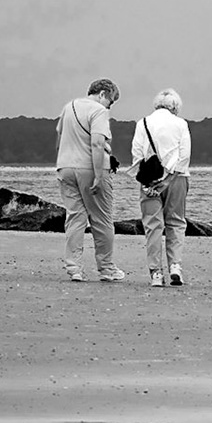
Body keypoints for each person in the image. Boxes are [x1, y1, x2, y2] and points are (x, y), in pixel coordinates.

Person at [56, 78, 124, 282]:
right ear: (103, 94)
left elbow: (59, 136)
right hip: (89, 168)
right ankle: (106, 268)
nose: (109, 107)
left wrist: (61, 159)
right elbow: (96, 143)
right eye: (110, 102)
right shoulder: (99, 111)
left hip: (65, 166)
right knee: (101, 218)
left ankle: (74, 267)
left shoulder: (69, 106)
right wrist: (98, 175)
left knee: (75, 217)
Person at [131, 89, 193, 286]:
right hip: (177, 179)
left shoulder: (143, 123)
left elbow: (137, 153)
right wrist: (170, 178)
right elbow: (185, 155)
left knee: (153, 226)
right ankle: (175, 266)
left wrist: (146, 182)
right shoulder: (181, 124)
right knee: (175, 222)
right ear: (175, 106)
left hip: (149, 179)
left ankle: (156, 273)